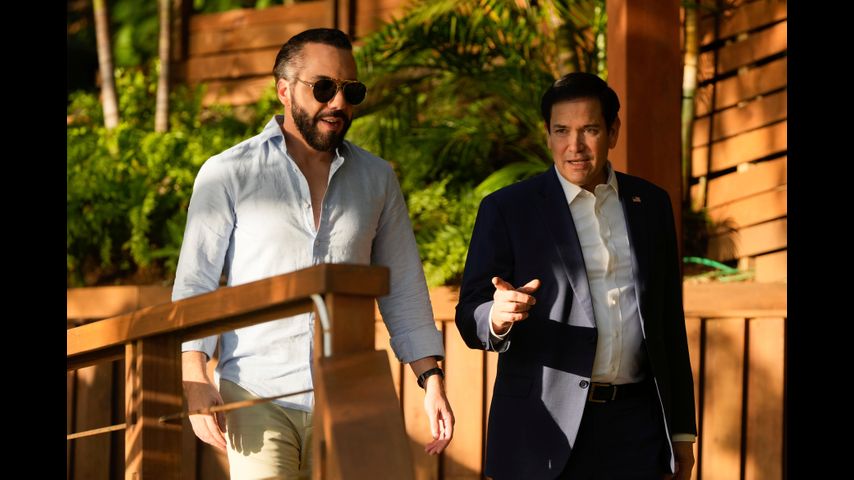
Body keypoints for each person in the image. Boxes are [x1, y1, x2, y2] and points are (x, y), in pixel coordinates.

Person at [173, 28, 454, 479]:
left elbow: (402, 284)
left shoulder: (378, 179)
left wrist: (431, 378)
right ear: (284, 90)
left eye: (351, 91)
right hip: (257, 393)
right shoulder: (228, 172)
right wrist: (194, 377)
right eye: (323, 88)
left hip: (350, 397)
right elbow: (197, 282)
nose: (338, 103)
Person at [455, 72, 696, 479]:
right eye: (562, 130)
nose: (575, 146)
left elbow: (669, 322)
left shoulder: (651, 204)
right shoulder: (508, 209)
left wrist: (682, 432)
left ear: (613, 132)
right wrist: (495, 317)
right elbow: (469, 313)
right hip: (544, 432)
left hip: (638, 428)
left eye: (590, 130)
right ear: (547, 134)